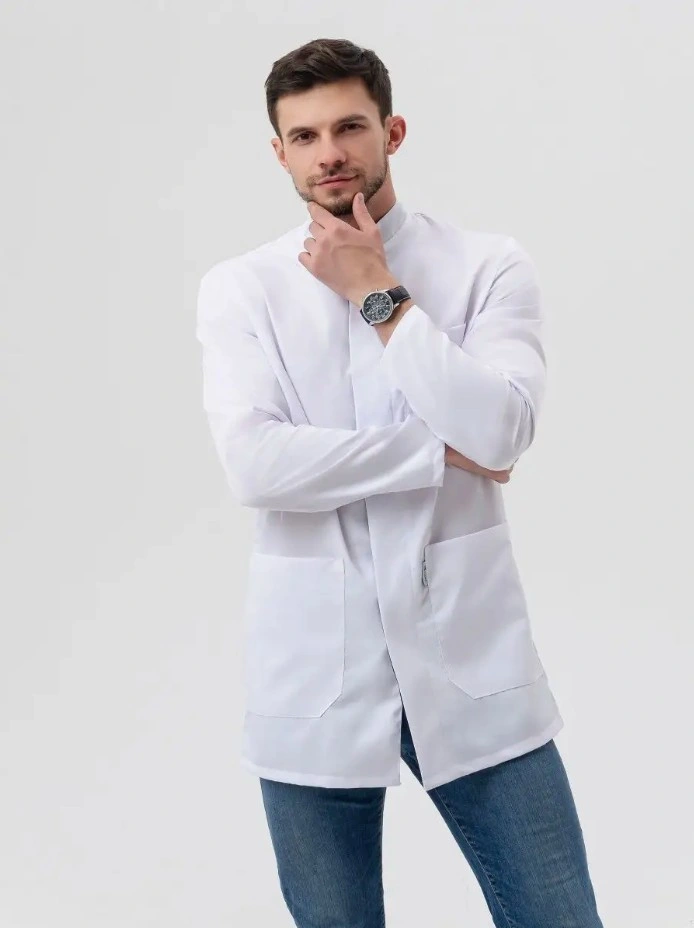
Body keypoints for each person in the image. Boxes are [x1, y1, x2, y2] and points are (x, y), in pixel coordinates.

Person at [196, 36, 605, 928]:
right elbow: (255, 465)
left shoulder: (487, 266)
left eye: (350, 127)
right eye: (304, 136)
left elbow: (501, 430)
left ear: (392, 132)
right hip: (315, 675)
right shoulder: (241, 290)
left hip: (474, 665)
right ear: (278, 152)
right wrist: (436, 449)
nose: (329, 152)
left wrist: (378, 293)